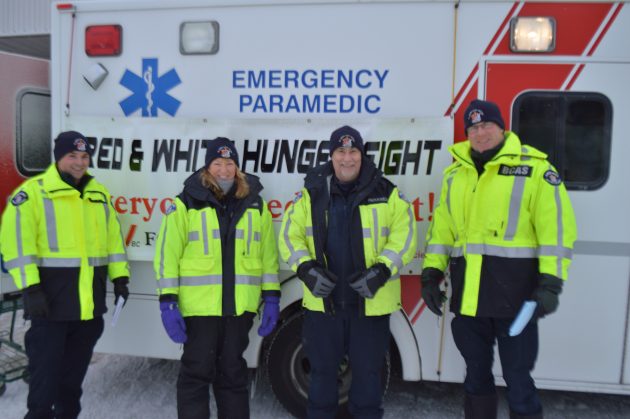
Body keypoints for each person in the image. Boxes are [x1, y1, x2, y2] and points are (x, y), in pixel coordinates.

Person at [421, 99, 577, 419]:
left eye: (486, 126)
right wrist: (430, 275)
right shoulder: (456, 174)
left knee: (518, 380)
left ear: (502, 128)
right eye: (473, 128)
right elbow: (443, 230)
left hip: (517, 300)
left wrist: (551, 282)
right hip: (469, 300)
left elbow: (557, 230)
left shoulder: (535, 169)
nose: (480, 133)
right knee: (475, 376)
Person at [279, 125, 417, 419]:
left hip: (369, 307)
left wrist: (381, 271)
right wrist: (306, 269)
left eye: (353, 151)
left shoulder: (386, 192)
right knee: (321, 383)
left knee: (368, 385)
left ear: (361, 154)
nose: (347, 158)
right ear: (331, 156)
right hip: (323, 308)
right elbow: (289, 237)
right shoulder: (311, 194)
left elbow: (405, 235)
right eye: (340, 151)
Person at [0, 131, 130, 419]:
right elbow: (17, 247)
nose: (79, 162)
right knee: (43, 390)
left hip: (87, 311)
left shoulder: (99, 194)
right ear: (59, 157)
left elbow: (113, 242)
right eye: (72, 155)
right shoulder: (33, 194)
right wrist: (31, 289)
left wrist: (120, 278)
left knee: (71, 388)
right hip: (50, 309)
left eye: (84, 157)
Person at [154, 137, 280, 419]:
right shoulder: (186, 203)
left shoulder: (256, 205)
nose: (224, 170)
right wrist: (168, 301)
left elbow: (268, 257)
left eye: (229, 164)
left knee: (233, 377)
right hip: (200, 311)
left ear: (237, 168)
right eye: (218, 163)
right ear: (207, 168)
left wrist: (271, 297)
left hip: (238, 312)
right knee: (195, 375)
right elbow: (166, 255)